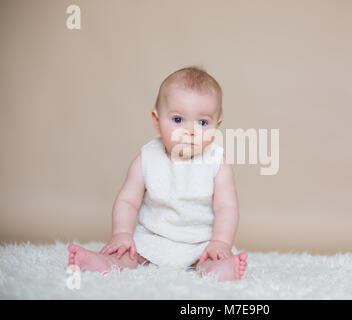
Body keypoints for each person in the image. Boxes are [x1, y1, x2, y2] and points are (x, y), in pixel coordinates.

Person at [68, 66, 248, 281]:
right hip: (152, 238)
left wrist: (220, 242)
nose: (190, 131)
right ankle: (106, 264)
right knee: (128, 253)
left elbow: (226, 207)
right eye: (178, 120)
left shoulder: (218, 163)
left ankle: (216, 270)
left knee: (211, 259)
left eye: (202, 122)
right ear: (157, 121)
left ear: (216, 127)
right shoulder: (146, 158)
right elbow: (127, 201)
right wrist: (122, 234)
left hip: (200, 242)